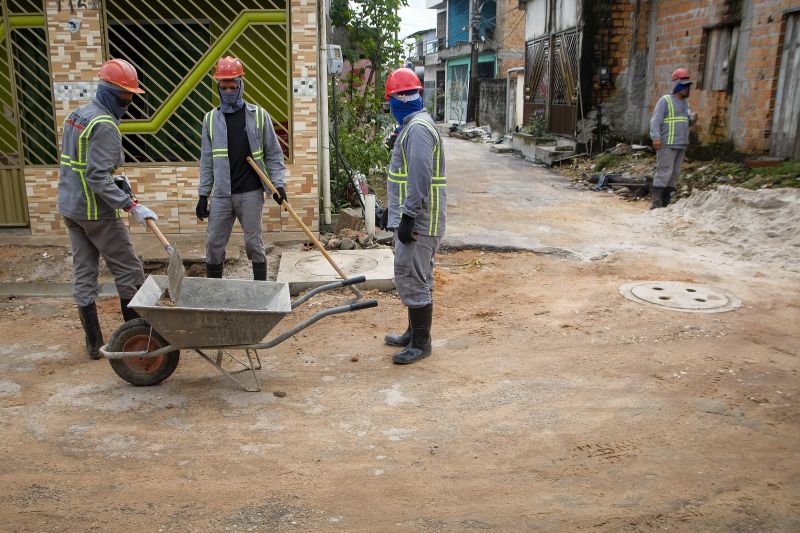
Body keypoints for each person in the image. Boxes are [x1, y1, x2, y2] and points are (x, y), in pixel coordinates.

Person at [57, 58, 158, 359]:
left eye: (130, 96)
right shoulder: (105, 125)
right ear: (109, 91)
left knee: (85, 272)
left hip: (71, 208)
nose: (127, 102)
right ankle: (137, 342)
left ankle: (93, 344)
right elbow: (96, 175)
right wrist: (131, 205)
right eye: (124, 97)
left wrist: (118, 179)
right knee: (129, 270)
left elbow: (82, 164)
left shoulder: (77, 115)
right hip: (96, 211)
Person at [195, 56, 286, 280]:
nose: (228, 91)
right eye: (223, 86)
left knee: (254, 244)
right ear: (218, 86)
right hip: (222, 194)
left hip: (250, 192)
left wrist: (278, 184)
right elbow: (207, 160)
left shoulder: (258, 116)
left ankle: (260, 292)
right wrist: (202, 194)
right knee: (214, 244)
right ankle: (215, 292)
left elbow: (274, 154)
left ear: (240, 85)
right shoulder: (210, 120)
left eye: (232, 86)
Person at [382, 67, 447, 365]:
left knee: (414, 275)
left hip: (420, 220)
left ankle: (422, 343)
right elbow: (405, 173)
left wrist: (407, 216)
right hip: (418, 216)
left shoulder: (418, 129)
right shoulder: (414, 125)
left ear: (395, 100)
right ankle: (413, 332)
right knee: (413, 273)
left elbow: (420, 175)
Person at [649, 67, 698, 209]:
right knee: (664, 171)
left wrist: (693, 120)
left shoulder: (685, 103)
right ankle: (656, 203)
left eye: (688, 86)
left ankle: (666, 201)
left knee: (674, 173)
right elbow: (655, 121)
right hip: (667, 143)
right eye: (684, 86)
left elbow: (686, 121)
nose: (687, 89)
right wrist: (656, 138)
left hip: (681, 143)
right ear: (676, 85)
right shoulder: (665, 101)